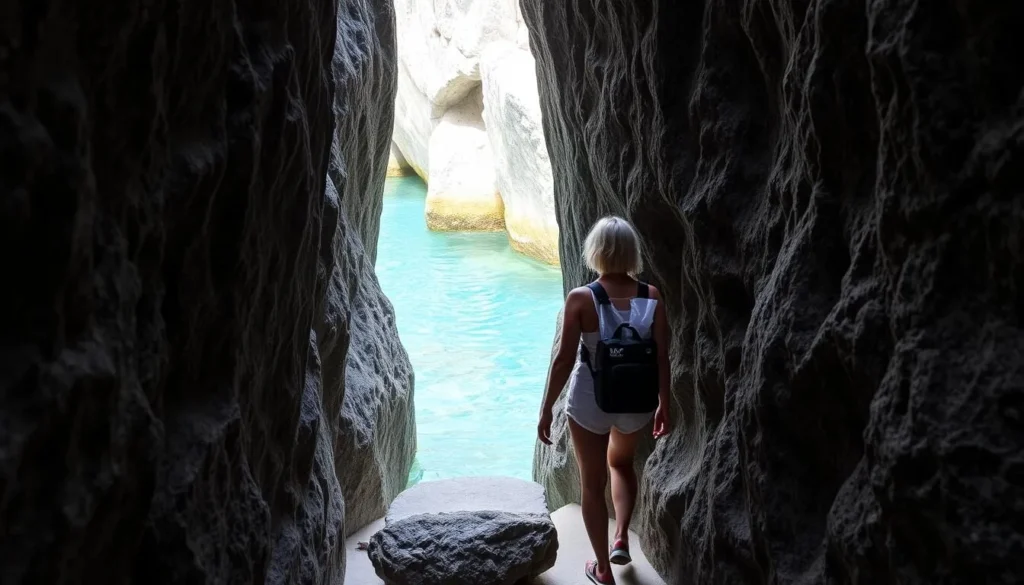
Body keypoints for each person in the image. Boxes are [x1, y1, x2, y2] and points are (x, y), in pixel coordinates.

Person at [537, 215, 671, 585]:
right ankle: (621, 536)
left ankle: (603, 569)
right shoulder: (651, 296)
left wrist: (546, 407)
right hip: (638, 400)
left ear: (595, 252)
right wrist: (665, 403)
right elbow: (662, 355)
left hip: (590, 401)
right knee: (623, 464)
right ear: (631, 253)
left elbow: (564, 359)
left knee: (591, 486)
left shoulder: (581, 298)